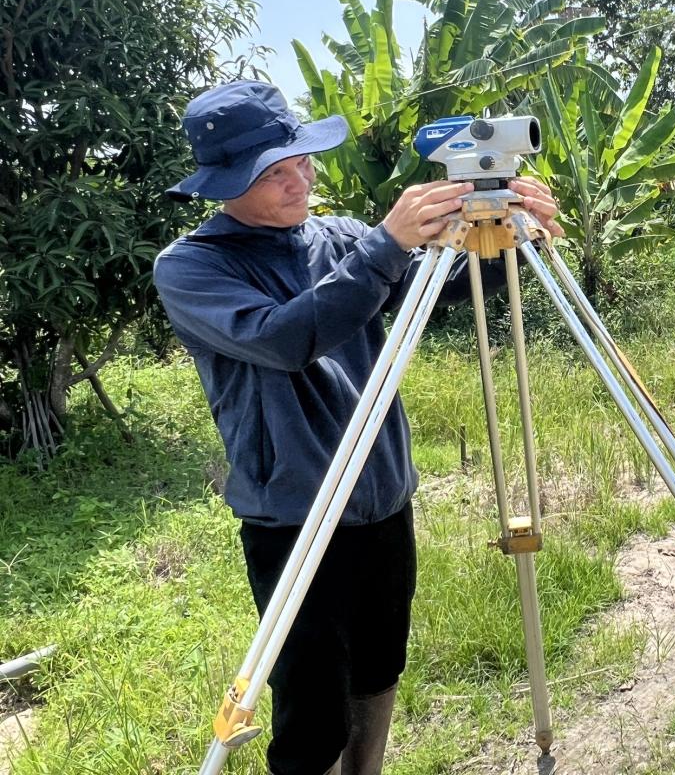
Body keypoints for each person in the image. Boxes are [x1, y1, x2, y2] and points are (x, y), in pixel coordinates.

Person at [152, 80, 563, 775]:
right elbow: (287, 339)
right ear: (225, 183)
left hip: (380, 499)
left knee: (379, 667)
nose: (298, 180)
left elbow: (441, 292)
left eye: (302, 162)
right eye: (274, 171)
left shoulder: (335, 237)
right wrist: (383, 246)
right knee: (312, 707)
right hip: (296, 515)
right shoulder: (193, 266)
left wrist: (509, 241)